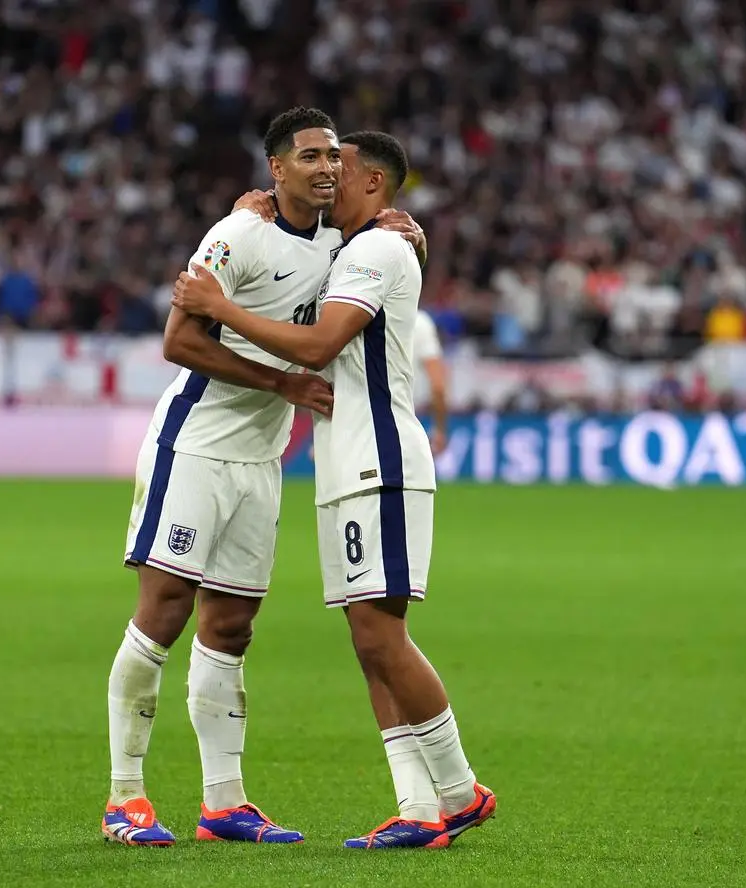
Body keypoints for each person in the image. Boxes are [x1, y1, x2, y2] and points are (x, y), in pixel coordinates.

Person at [103, 108, 426, 847]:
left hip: (261, 460)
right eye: (308, 156)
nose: (325, 169)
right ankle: (125, 797)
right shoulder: (238, 232)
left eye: (332, 158)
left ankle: (224, 804)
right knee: (164, 611)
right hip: (195, 445)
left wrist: (412, 228)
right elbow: (179, 339)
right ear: (275, 168)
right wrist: (278, 385)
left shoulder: (350, 244)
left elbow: (385, 249)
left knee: (233, 625)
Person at [172, 131, 494, 850]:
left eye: (338, 170)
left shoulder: (379, 249)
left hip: (379, 459)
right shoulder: (359, 246)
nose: (325, 180)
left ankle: (459, 790)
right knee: (370, 642)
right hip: (347, 466)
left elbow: (317, 348)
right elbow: (292, 250)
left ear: (374, 183)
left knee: (382, 637)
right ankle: (418, 810)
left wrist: (217, 307)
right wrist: (251, 212)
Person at [413, 310, 449, 454]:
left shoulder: (366, 313)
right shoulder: (420, 322)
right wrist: (440, 428)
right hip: (403, 415)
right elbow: (438, 384)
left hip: (365, 414)